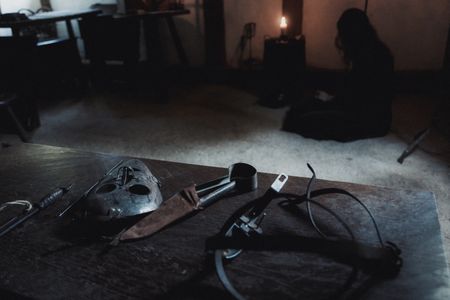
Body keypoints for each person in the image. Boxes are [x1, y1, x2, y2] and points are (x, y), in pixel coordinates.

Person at [282, 8, 394, 142]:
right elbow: (352, 89)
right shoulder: (369, 50)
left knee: (303, 121)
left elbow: (359, 99)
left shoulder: (372, 56)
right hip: (358, 109)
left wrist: (330, 100)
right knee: (299, 110)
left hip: (370, 120)